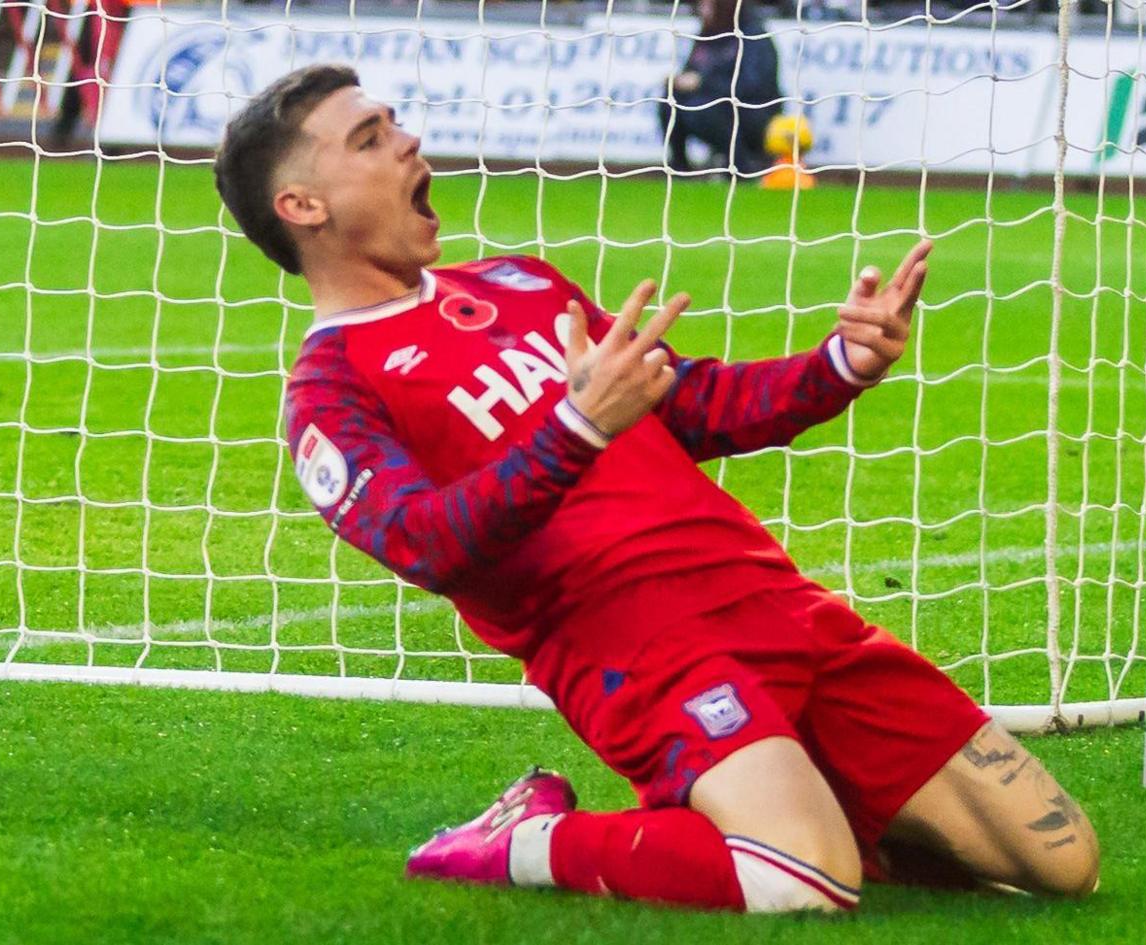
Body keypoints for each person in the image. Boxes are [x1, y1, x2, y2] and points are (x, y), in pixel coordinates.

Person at [212, 64, 1100, 914]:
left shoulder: (522, 282)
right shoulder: (329, 392)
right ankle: (525, 840)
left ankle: (816, 810)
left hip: (773, 597)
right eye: (370, 139)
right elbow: (428, 542)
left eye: (394, 123)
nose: (407, 141)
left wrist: (840, 364)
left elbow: (693, 402)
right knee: (799, 880)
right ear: (303, 206)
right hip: (641, 652)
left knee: (1062, 862)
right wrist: (575, 429)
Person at [659, 0, 783, 176]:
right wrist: (681, 81)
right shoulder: (708, 34)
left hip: (753, 112)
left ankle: (740, 165)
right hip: (711, 104)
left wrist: (703, 82)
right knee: (671, 99)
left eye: (707, 5)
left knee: (702, 108)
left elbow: (754, 86)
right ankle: (680, 167)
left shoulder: (753, 35)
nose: (702, 10)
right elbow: (692, 71)